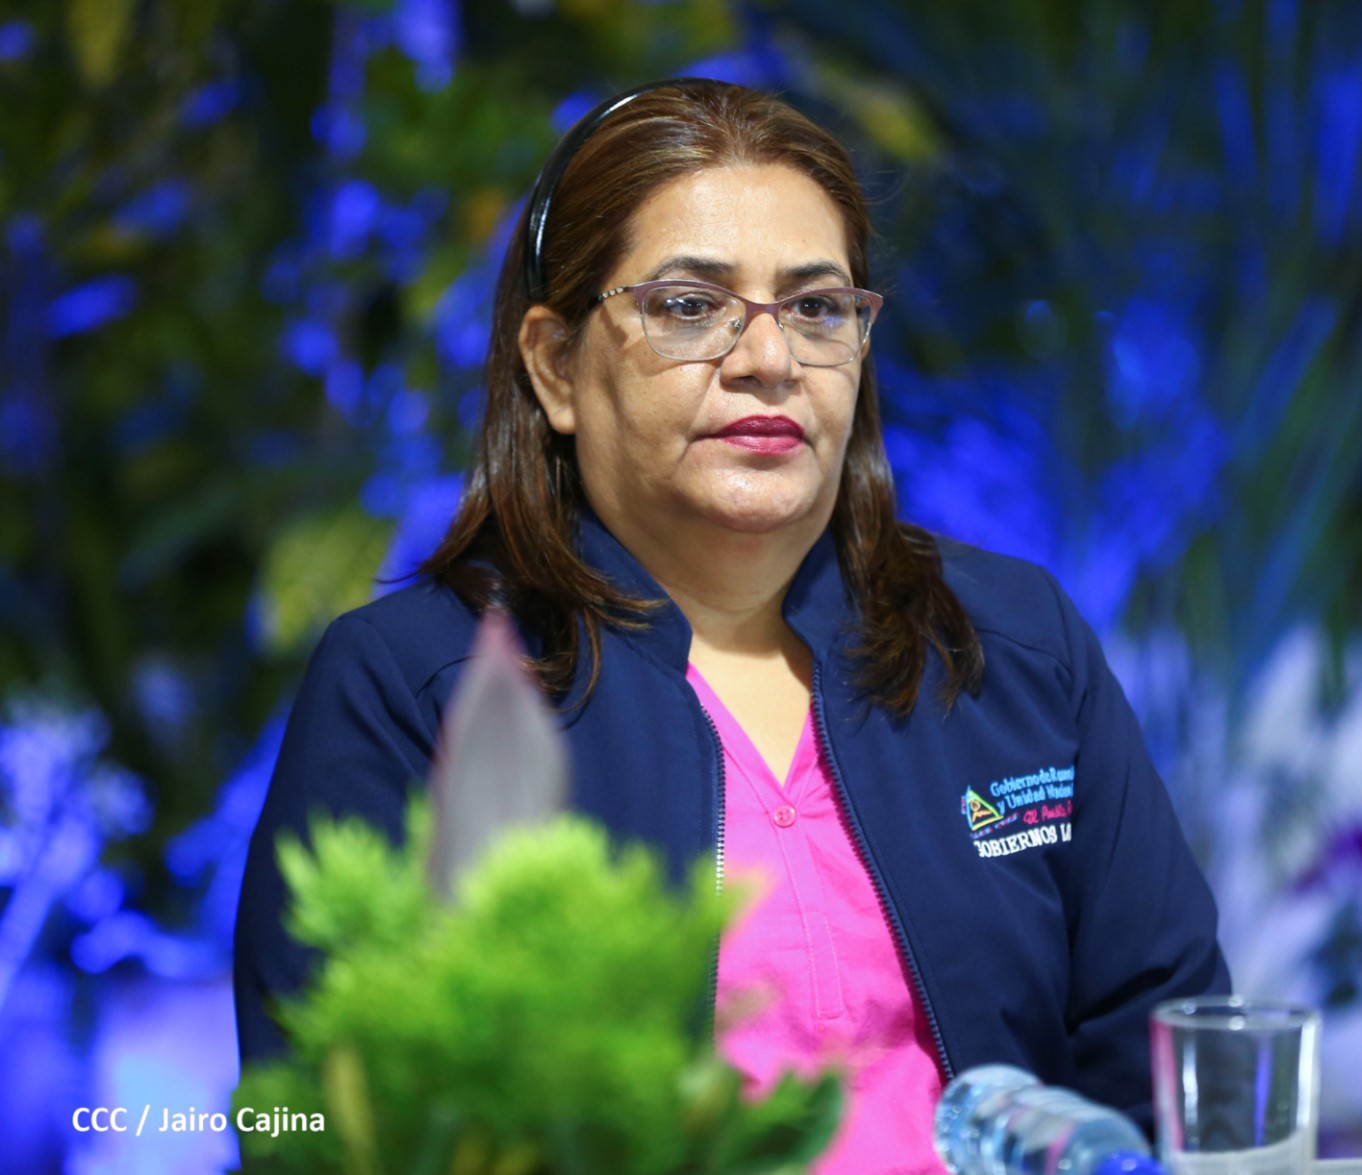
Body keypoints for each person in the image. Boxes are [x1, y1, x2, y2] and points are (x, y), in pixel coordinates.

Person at [235, 78, 1230, 1170]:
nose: (769, 359)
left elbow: (1162, 1056)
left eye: (816, 309)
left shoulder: (1008, 643)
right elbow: (314, 1121)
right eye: (688, 305)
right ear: (556, 366)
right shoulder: (413, 686)